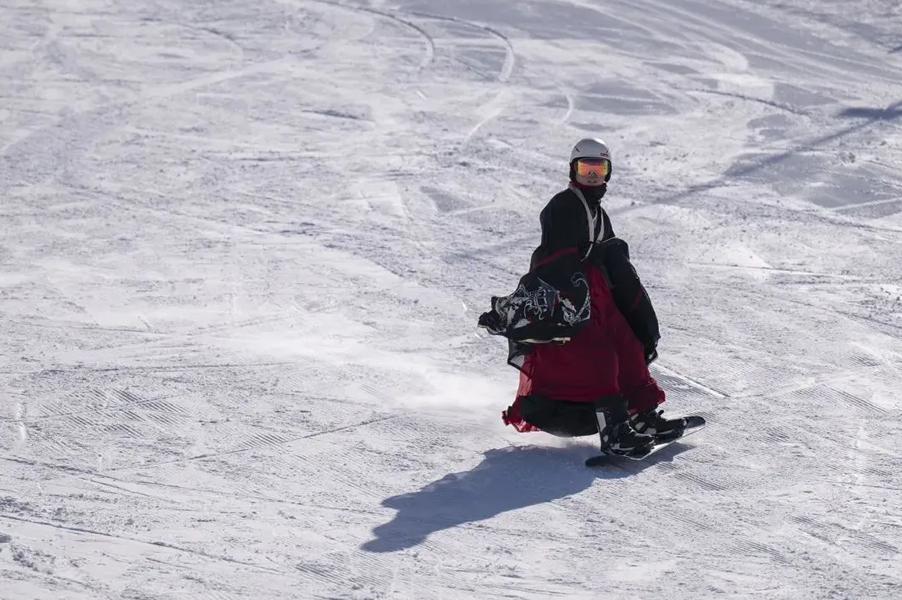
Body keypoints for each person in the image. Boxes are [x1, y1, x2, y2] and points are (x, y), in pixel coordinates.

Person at [478, 137, 686, 457]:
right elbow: (554, 256)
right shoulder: (563, 205)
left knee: (628, 346)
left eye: (598, 169)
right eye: (585, 168)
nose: (591, 175)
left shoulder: (599, 213)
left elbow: (610, 257)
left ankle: (642, 417)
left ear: (608, 173)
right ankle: (614, 431)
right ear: (573, 170)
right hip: (570, 296)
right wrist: (567, 290)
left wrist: (632, 302)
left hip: (598, 293)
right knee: (599, 354)